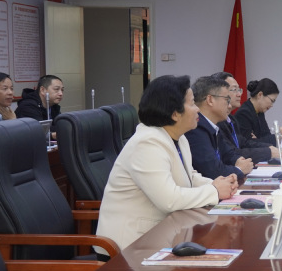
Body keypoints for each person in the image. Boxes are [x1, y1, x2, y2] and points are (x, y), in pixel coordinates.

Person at [95, 75, 238, 254]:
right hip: (130, 247)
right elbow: (169, 200)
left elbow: (190, 176)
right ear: (175, 113)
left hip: (164, 235)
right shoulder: (147, 143)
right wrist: (215, 191)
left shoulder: (179, 138)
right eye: (192, 103)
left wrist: (220, 183)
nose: (197, 109)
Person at [184, 76, 253, 182]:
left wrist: (238, 160)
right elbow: (213, 171)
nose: (229, 106)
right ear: (210, 100)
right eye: (227, 100)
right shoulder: (196, 128)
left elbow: (228, 153)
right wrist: (239, 169)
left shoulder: (213, 126)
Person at [211, 72, 282, 164]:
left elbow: (245, 143)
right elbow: (233, 152)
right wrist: (268, 151)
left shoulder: (232, 119)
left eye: (239, 90)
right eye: (234, 90)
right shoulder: (238, 115)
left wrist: (269, 148)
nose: (239, 94)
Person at [233, 78, 282, 147]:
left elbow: (266, 138)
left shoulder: (259, 111)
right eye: (272, 101)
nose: (272, 105)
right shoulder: (243, 113)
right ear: (260, 95)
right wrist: (277, 136)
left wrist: (258, 140)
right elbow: (247, 145)